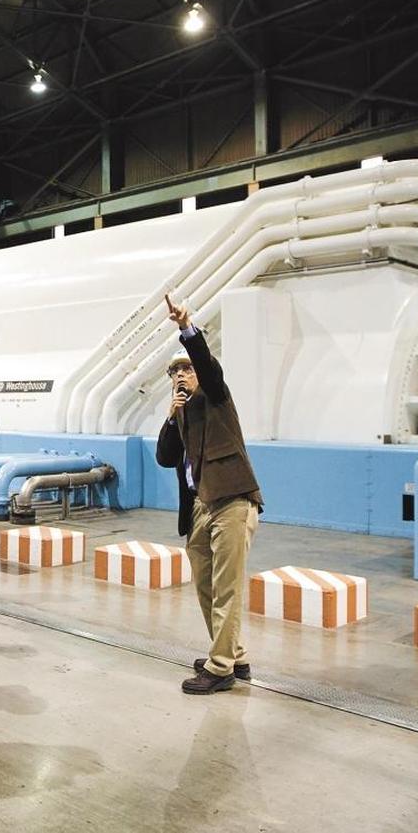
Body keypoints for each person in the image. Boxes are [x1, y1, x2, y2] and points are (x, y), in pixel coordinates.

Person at [155, 295, 263, 695]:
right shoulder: (181, 413)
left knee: (228, 586)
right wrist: (170, 415)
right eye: (174, 374)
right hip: (199, 508)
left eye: (186, 370)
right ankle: (235, 653)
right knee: (207, 587)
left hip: (232, 500)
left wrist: (188, 330)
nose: (181, 376)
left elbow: (208, 367)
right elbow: (166, 458)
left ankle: (221, 668)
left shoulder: (217, 397)